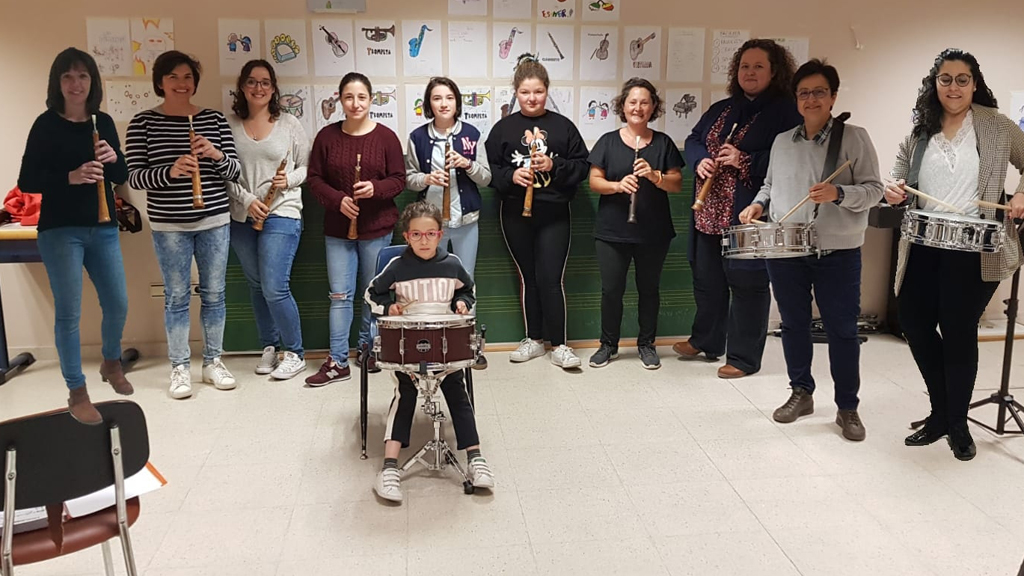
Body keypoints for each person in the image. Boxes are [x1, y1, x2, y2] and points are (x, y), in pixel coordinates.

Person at [885, 49, 1024, 460]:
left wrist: (1020, 193)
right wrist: (893, 190)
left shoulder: (996, 125)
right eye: (945, 79)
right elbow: (896, 180)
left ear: (975, 83)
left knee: (958, 329)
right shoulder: (919, 130)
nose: (954, 87)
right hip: (923, 243)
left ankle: (957, 423)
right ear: (935, 83)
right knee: (914, 323)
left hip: (975, 249)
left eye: (962, 79)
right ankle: (941, 413)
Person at [739, 59, 883, 441]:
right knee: (793, 325)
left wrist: (840, 193)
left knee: (842, 330)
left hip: (838, 251)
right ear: (796, 99)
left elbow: (874, 190)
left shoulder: (854, 138)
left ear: (833, 96)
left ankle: (847, 407)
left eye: (819, 91)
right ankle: (801, 391)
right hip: (786, 249)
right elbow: (770, 186)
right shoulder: (782, 141)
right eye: (804, 93)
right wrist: (758, 204)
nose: (811, 99)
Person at [17, 48, 131, 424]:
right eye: (68, 76)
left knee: (117, 303)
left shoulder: (105, 121)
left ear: (92, 81)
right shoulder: (45, 125)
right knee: (69, 314)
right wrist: (69, 177)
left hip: (103, 228)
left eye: (82, 76)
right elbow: (27, 181)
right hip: (60, 230)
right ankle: (76, 390)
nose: (76, 84)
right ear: (58, 83)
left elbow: (122, 175)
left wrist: (114, 159)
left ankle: (111, 362)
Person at [677, 39, 801, 379]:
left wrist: (744, 159)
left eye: (759, 66)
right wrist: (700, 159)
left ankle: (744, 358)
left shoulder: (786, 111)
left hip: (748, 213)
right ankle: (706, 340)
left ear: (774, 71)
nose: (750, 72)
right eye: (745, 66)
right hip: (708, 212)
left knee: (747, 284)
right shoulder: (723, 108)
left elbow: (790, 159)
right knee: (707, 280)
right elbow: (693, 139)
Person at [126, 50, 240, 400]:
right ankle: (179, 367)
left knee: (215, 294)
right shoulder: (142, 122)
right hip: (168, 224)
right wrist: (171, 171)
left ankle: (213, 362)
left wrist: (217, 156)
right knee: (176, 297)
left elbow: (235, 172)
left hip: (215, 219)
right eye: (173, 77)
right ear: (160, 81)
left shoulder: (215, 122)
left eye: (187, 77)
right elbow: (134, 177)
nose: (181, 83)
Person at [365, 202, 494, 503]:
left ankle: (475, 458)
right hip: (407, 345)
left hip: (444, 346)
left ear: (440, 234)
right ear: (407, 236)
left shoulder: (453, 264)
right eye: (417, 234)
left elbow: (467, 291)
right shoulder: (396, 267)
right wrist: (389, 307)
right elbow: (372, 294)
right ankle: (388, 467)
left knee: (456, 390)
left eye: (430, 234)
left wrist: (462, 302)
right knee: (405, 393)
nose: (424, 240)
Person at [484, 54, 590, 370]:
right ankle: (534, 339)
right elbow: (491, 171)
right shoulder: (503, 129)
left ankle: (559, 344)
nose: (532, 98)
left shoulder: (563, 127)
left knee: (550, 278)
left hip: (555, 213)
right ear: (516, 92)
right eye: (526, 92)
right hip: (515, 213)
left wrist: (554, 165)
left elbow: (583, 166)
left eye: (538, 91)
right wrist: (512, 176)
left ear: (547, 91)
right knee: (529, 277)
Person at [306, 72, 405, 386]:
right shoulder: (326, 137)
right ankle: (337, 360)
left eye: (362, 97)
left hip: (377, 227)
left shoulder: (387, 137)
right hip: (338, 229)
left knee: (372, 295)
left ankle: (368, 348)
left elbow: (399, 180)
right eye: (349, 97)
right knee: (339, 296)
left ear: (371, 100)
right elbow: (315, 179)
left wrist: (375, 189)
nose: (355, 103)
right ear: (340, 99)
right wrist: (338, 200)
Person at [586, 78, 684, 370]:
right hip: (612, 231)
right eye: (632, 102)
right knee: (611, 290)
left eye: (644, 102)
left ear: (653, 107)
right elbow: (594, 181)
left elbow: (677, 184)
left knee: (649, 289)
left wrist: (656, 177)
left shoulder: (663, 143)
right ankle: (608, 345)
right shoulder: (608, 141)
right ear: (623, 106)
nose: (638, 107)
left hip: (653, 232)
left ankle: (647, 344)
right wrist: (618, 186)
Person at [226, 59, 310, 381]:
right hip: (242, 215)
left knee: (275, 287)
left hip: (282, 212)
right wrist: (247, 201)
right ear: (242, 87)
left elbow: (306, 167)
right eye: (251, 81)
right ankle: (269, 346)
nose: (258, 88)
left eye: (265, 82)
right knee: (257, 285)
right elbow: (224, 172)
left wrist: (286, 181)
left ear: (274, 88)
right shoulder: (229, 124)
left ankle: (296, 352)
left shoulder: (289, 124)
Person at [404, 76, 492, 369]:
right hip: (431, 224)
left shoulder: (471, 133)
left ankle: (469, 345)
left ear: (457, 102)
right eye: (437, 98)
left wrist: (467, 164)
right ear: (429, 104)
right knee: (433, 282)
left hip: (466, 219)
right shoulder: (417, 137)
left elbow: (487, 177)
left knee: (466, 281)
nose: (444, 103)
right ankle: (433, 343)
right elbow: (408, 178)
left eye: (449, 98)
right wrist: (428, 178)